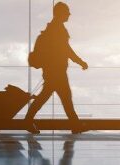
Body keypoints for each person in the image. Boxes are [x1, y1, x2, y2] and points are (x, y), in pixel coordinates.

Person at [25, 2, 88, 134]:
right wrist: (80, 62)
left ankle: (28, 120)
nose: (69, 14)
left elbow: (64, 50)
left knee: (54, 96)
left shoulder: (53, 29)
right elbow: (67, 50)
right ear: (60, 13)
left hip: (52, 71)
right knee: (64, 97)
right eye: (67, 12)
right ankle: (75, 125)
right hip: (57, 71)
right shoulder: (58, 30)